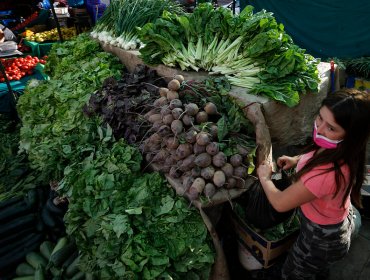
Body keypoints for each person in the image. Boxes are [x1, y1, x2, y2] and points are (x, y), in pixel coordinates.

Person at [257, 88, 370, 280]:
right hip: (336, 221)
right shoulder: (343, 150)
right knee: (315, 264)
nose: (319, 128)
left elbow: (280, 203)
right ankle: (318, 267)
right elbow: (316, 154)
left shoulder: (326, 174)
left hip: (321, 238)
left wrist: (265, 178)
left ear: (350, 135)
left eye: (331, 128)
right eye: (320, 118)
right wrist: (296, 159)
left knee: (295, 271)